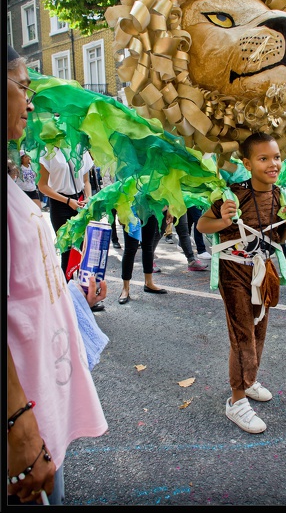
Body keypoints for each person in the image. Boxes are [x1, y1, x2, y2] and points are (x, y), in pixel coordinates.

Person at [7, 44, 108, 505]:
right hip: (23, 431)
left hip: (43, 410)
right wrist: (20, 428)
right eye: (22, 87)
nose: (30, 103)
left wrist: (73, 296)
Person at [197, 132, 286, 433]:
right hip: (234, 270)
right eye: (263, 158)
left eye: (277, 157)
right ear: (247, 162)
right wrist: (224, 222)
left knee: (258, 331)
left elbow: (280, 238)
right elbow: (203, 224)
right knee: (242, 336)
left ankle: (249, 379)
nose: (273, 164)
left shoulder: (284, 195)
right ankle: (237, 399)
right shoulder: (231, 195)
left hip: (265, 271)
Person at [37, 146, 93, 278]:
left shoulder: (80, 148)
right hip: (60, 204)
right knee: (67, 252)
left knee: (83, 249)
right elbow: (42, 185)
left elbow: (86, 181)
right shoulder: (47, 151)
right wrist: (67, 201)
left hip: (80, 202)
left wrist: (88, 197)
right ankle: (67, 293)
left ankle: (83, 292)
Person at [118, 212, 167, 304]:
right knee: (130, 249)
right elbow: (118, 197)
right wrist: (120, 212)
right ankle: (125, 288)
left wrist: (169, 209)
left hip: (149, 209)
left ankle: (149, 283)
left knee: (148, 246)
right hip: (131, 210)